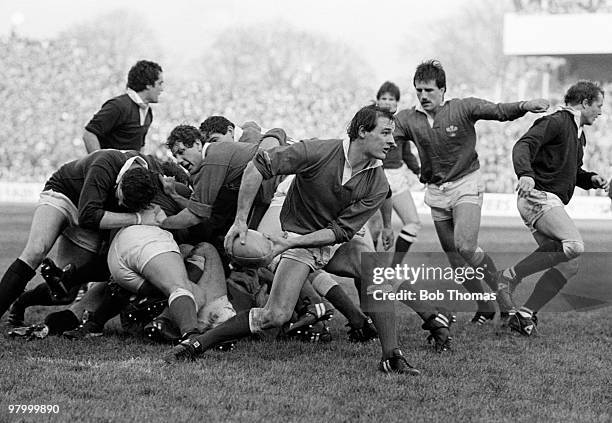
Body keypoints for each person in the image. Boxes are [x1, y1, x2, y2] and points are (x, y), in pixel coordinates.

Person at [165, 105, 421, 375]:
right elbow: (258, 165)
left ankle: (391, 357)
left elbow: (341, 232)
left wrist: (290, 244)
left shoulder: (378, 182)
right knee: (274, 316)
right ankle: (198, 343)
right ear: (362, 132)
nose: (393, 142)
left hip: (329, 241)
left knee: (374, 268)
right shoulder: (317, 151)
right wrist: (240, 221)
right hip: (297, 236)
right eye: (386, 133)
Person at [393, 60, 550, 324]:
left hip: (466, 183)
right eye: (419, 90)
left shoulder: (462, 108)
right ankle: (485, 306)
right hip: (435, 191)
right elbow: (385, 140)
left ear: (443, 90)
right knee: (455, 261)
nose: (423, 95)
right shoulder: (408, 119)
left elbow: (499, 111)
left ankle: (505, 300)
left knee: (465, 246)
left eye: (429, 90)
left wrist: (525, 105)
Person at [497, 80, 608, 335]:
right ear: (584, 103)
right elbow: (522, 145)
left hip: (547, 199)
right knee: (574, 245)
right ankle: (509, 276)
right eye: (598, 106)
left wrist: (589, 178)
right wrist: (525, 174)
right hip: (538, 196)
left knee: (569, 264)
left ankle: (524, 314)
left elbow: (572, 171)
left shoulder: (579, 133)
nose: (601, 112)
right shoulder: (557, 121)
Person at [0, 150, 164, 320]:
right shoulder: (105, 163)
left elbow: (173, 174)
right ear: (121, 180)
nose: (120, 203)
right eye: (121, 198)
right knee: (36, 250)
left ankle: (21, 301)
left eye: (126, 204)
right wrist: (137, 218)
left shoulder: (153, 173)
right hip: (66, 195)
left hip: (95, 217)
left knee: (65, 290)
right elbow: (88, 216)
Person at [369, 81, 422, 261]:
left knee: (413, 223)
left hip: (397, 177)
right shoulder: (369, 122)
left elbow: (406, 153)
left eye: (391, 99)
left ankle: (393, 269)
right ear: (377, 101)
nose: (387, 102)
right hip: (376, 177)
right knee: (375, 230)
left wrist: (419, 171)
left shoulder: (400, 123)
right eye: (383, 98)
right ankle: (369, 277)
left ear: (397, 103)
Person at [83, 60, 164, 153]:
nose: (162, 89)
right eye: (160, 83)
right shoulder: (118, 106)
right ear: (148, 85)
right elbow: (89, 134)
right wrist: (100, 164)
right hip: (109, 166)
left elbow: (140, 146)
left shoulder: (148, 112)